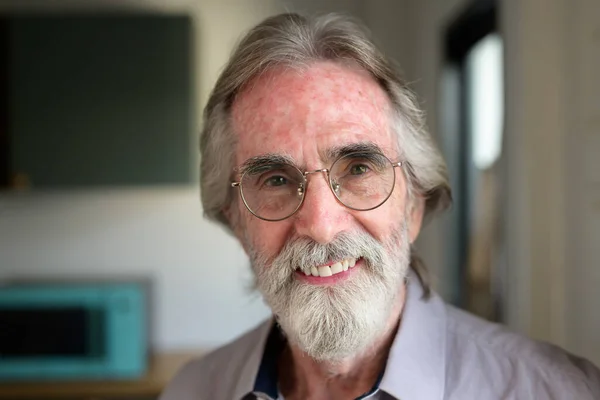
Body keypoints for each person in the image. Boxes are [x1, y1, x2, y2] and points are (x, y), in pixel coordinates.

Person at [160, 13, 600, 400]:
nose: (321, 225)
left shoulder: (555, 392)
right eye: (275, 179)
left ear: (414, 205)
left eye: (357, 169)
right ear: (236, 221)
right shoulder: (192, 392)